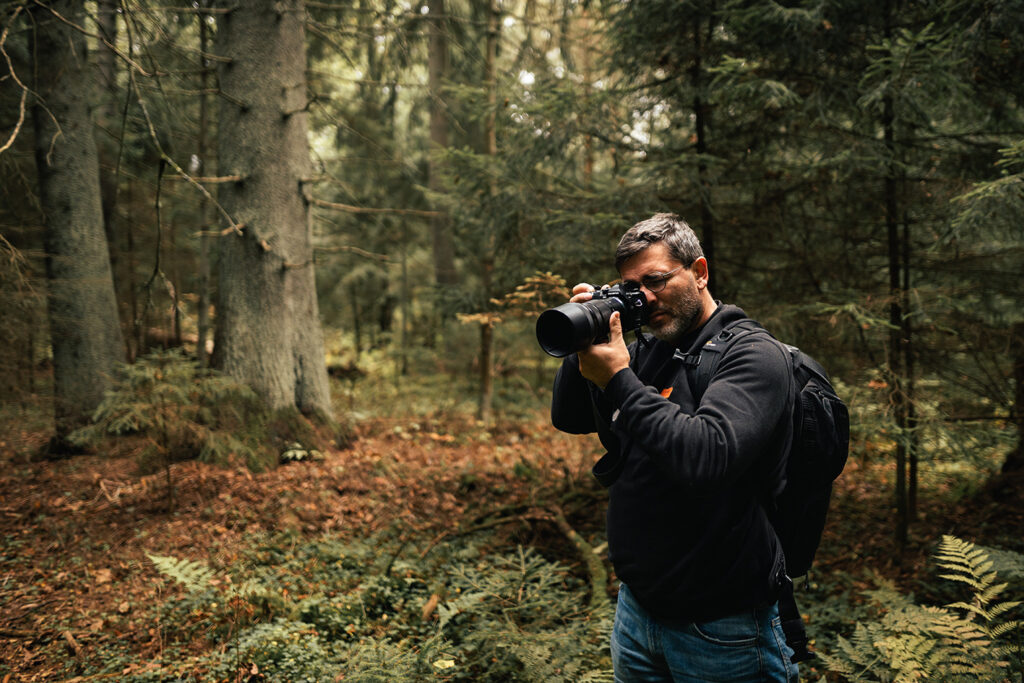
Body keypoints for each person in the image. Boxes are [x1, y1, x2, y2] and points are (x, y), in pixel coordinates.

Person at [550, 213, 799, 682]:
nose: (645, 296)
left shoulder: (753, 355)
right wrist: (583, 338)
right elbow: (571, 417)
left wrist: (620, 380)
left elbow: (706, 456)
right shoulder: (649, 350)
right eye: (631, 286)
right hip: (638, 612)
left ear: (700, 272)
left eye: (657, 280)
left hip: (723, 627)